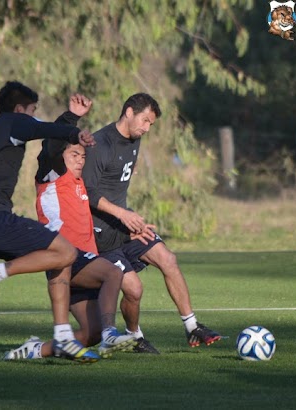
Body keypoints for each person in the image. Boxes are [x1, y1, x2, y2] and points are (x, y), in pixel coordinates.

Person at [0, 81, 102, 363]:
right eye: (32, 110)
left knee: (60, 258)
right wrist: (74, 131)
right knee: (67, 251)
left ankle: (63, 338)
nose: (34, 116)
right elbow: (42, 130)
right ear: (20, 109)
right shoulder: (13, 123)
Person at [81, 93, 222, 353]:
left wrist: (130, 219)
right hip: (100, 235)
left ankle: (192, 327)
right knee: (134, 289)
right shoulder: (100, 143)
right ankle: (134, 336)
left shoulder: (135, 140)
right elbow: (87, 192)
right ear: (128, 112)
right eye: (144, 121)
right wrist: (122, 215)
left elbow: (116, 186)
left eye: (151, 124)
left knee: (167, 258)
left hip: (125, 228)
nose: (146, 128)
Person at [2, 95, 136, 361]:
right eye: (74, 154)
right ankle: (111, 334)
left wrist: (128, 230)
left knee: (89, 334)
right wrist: (71, 118)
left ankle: (36, 350)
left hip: (85, 260)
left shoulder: (79, 184)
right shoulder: (52, 175)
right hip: (66, 258)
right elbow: (51, 145)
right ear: (61, 155)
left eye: (83, 156)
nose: (80, 160)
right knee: (113, 273)